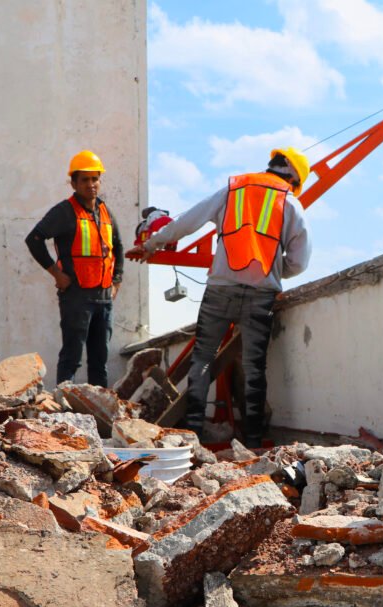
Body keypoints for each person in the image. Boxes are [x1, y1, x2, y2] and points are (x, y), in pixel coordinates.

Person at [126, 147, 312, 447]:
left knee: (202, 360)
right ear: (294, 178)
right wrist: (274, 271)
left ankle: (194, 436)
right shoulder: (290, 202)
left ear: (272, 165)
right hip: (261, 294)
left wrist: (152, 244)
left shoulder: (234, 188)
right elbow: (300, 262)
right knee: (254, 368)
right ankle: (253, 440)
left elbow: (188, 222)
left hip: (220, 288)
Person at [26, 150, 123, 387]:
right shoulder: (64, 212)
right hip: (77, 297)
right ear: (74, 183)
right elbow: (34, 239)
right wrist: (57, 274)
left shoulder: (105, 211)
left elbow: (118, 247)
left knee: (100, 359)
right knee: (72, 356)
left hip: (103, 298)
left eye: (95, 179)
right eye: (85, 180)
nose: (91, 184)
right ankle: (63, 402)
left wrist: (116, 282)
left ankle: (99, 405)